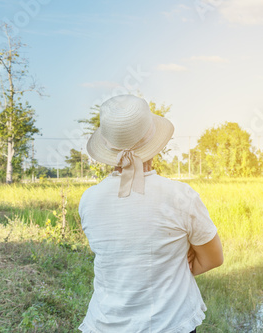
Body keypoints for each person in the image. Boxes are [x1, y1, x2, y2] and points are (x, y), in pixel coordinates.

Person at [78, 95, 223, 333]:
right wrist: (177, 265)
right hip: (169, 324)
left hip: (104, 324)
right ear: (154, 144)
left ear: (107, 146)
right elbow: (213, 258)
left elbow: (118, 253)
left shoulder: (89, 200)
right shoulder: (180, 196)